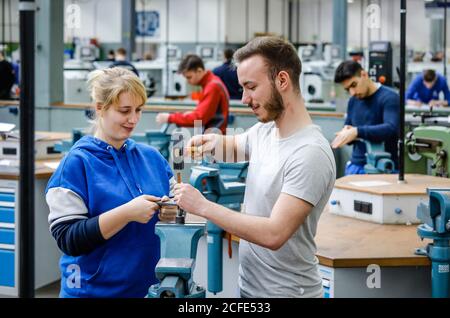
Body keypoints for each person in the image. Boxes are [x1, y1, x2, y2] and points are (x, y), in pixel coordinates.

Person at [173, 37, 336, 298]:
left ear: (282, 81)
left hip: (286, 293)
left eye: (250, 87)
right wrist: (210, 141)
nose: (244, 99)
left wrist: (202, 206)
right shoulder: (266, 130)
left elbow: (274, 233)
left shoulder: (309, 153)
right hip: (251, 289)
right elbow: (236, 144)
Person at [45, 68, 175, 297]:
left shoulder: (152, 158)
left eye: (138, 110)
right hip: (91, 291)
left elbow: (178, 203)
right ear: (99, 108)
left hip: (145, 289)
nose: (133, 119)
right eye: (124, 111)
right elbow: (69, 239)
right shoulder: (76, 164)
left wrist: (173, 211)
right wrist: (126, 213)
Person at [333, 61, 400, 175]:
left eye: (354, 85)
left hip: (382, 168)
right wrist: (346, 134)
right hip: (355, 167)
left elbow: (391, 128)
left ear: (364, 75)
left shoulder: (390, 98)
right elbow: (350, 128)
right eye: (347, 89)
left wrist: (357, 131)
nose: (352, 92)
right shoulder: (353, 101)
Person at [155, 54, 230, 134]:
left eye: (189, 77)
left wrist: (170, 117)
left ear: (199, 71)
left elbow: (199, 118)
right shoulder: (212, 83)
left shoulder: (212, 87)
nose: (187, 81)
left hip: (215, 139)